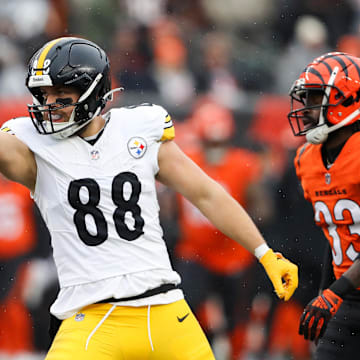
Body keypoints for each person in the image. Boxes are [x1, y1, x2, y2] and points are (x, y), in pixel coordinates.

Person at [0, 36, 298, 359]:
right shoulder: (31, 145)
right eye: (44, 95)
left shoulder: (138, 129)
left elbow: (206, 193)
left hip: (165, 311)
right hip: (91, 319)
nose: (48, 106)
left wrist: (265, 252)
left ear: (93, 91)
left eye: (61, 94)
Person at [173, 100, 273, 359]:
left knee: (237, 315)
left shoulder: (243, 164)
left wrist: (240, 216)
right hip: (195, 252)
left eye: (219, 143)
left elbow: (263, 208)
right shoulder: (186, 161)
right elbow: (168, 207)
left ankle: (236, 353)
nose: (215, 149)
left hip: (232, 253)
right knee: (185, 309)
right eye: (209, 142)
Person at [288, 51, 360, 359]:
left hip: (344, 292)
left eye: (316, 98)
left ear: (346, 100)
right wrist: (324, 290)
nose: (306, 110)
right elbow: (335, 238)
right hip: (349, 296)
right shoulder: (307, 159)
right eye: (305, 99)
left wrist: (333, 294)